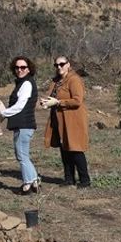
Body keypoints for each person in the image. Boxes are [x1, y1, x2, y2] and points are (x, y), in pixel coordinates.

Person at [42, 55, 90, 187]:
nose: (59, 67)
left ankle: (85, 180)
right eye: (56, 65)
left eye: (62, 64)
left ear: (68, 65)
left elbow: (77, 101)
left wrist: (58, 102)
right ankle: (69, 179)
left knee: (75, 149)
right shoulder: (56, 81)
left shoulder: (74, 80)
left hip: (73, 120)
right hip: (59, 120)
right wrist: (46, 101)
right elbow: (50, 96)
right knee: (64, 149)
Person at [0, 55, 39, 194]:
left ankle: (27, 184)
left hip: (24, 124)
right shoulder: (22, 83)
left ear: (29, 68)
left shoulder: (26, 84)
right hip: (24, 124)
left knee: (21, 155)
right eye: (17, 67)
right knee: (24, 155)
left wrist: (3, 113)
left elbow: (20, 106)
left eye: (23, 67)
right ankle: (35, 181)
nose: (20, 70)